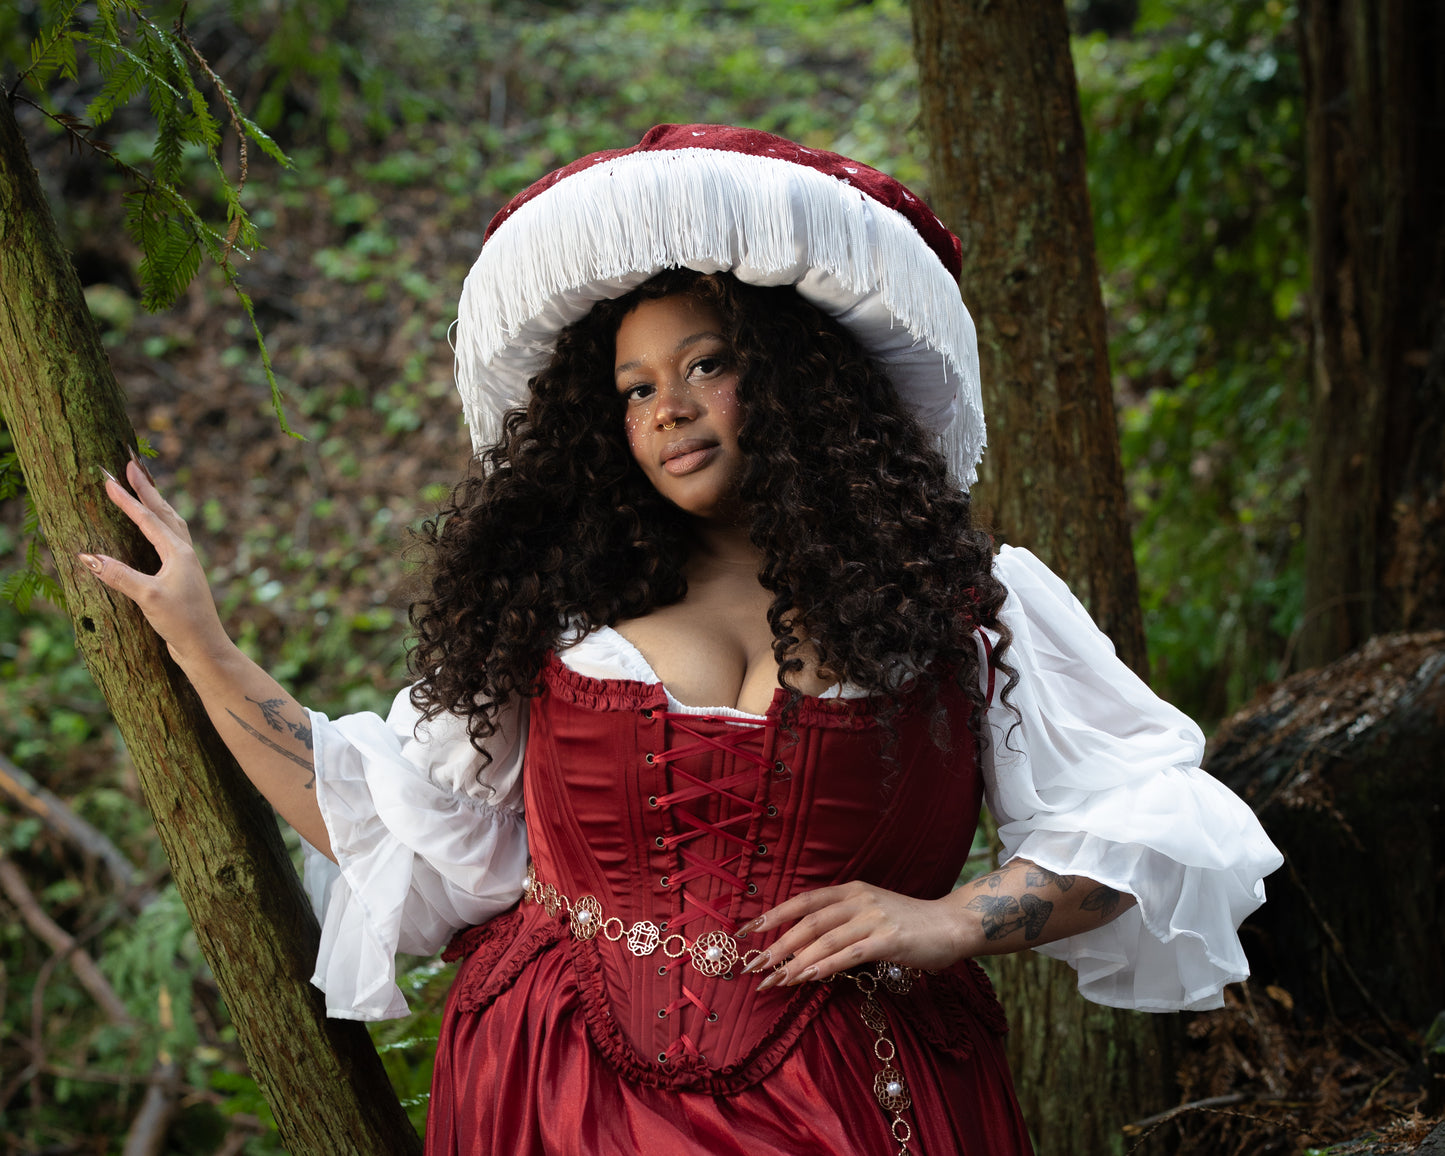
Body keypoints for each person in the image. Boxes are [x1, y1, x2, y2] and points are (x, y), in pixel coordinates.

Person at [81, 125, 1282, 1155]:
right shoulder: (556, 613)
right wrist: (199, 639)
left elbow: (1148, 817)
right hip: (551, 1082)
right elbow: (404, 835)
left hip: (856, 1091)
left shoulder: (966, 603)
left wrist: (955, 919)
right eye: (633, 385)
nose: (668, 407)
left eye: (706, 364)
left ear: (796, 380)